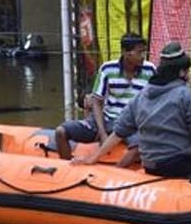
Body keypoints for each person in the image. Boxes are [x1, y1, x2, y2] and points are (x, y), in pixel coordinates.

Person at [73, 41, 191, 178]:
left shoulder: (141, 97)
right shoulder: (186, 96)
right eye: (188, 71)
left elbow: (117, 134)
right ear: (182, 72)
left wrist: (92, 159)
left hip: (151, 166)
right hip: (179, 165)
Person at [55, 33, 155, 167]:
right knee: (61, 132)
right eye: (139, 52)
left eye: (144, 52)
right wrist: (102, 133)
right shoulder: (108, 69)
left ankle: (115, 172)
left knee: (138, 147)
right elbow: (97, 101)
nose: (143, 56)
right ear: (126, 53)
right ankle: (67, 169)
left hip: (132, 124)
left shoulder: (150, 70)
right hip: (108, 119)